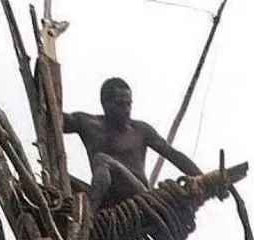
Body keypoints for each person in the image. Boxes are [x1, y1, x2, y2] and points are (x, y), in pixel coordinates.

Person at [63, 78, 201, 211]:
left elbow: (173, 154)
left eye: (129, 104)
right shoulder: (88, 124)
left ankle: (87, 217)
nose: (126, 109)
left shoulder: (140, 130)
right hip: (107, 198)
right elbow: (55, 117)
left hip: (138, 195)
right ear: (105, 103)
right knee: (63, 178)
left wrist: (203, 177)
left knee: (102, 160)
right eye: (120, 104)